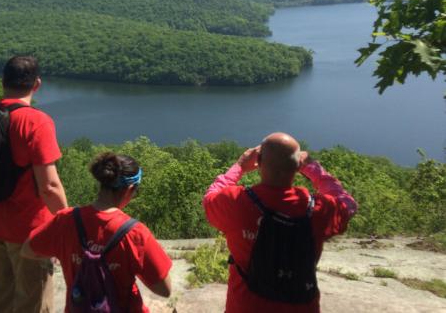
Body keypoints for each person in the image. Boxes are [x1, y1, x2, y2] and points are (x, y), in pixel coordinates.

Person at [202, 132, 357, 313]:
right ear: (298, 165)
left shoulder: (237, 203)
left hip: (246, 307)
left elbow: (209, 199)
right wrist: (313, 168)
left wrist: (239, 166)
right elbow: (349, 204)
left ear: (259, 162)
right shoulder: (319, 210)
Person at [0, 55, 68, 313]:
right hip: (29, 232)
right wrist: (67, 223)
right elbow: (50, 187)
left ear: (3, 81)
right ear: (37, 84)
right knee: (33, 303)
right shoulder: (36, 122)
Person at [22, 152, 173, 312]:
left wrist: (65, 253)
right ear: (129, 189)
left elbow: (27, 250)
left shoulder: (65, 221)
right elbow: (165, 290)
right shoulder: (135, 234)